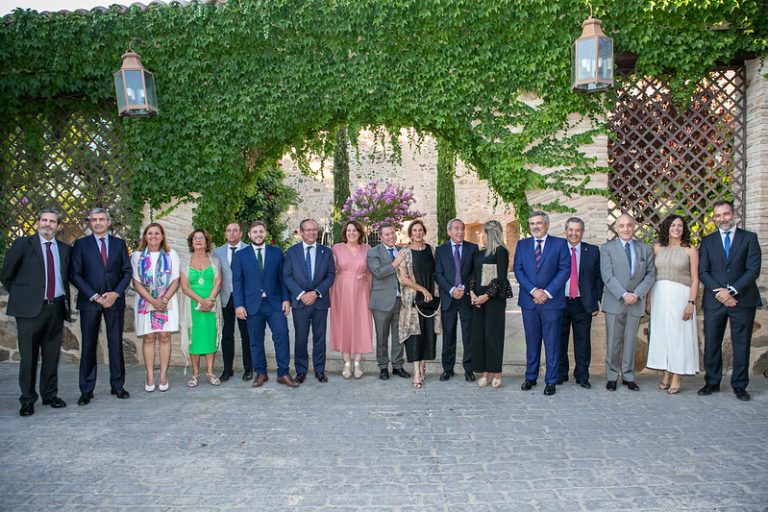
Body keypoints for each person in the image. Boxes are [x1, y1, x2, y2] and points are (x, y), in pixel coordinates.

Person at [1, 209, 71, 417]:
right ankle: (27, 400)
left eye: (52, 221)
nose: (47, 224)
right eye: (44, 220)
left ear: (58, 226)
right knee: (29, 357)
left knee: (51, 355)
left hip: (56, 307)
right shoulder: (23, 245)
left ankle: (49, 395)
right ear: (38, 222)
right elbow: (6, 274)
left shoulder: (64, 249)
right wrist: (25, 295)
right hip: (30, 310)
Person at [698, 200, 762, 401]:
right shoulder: (708, 241)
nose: (722, 219)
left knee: (741, 343)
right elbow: (703, 271)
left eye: (725, 214)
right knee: (712, 343)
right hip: (715, 300)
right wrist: (721, 293)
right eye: (718, 215)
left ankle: (740, 385)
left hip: (742, 300)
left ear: (733, 214)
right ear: (714, 217)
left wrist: (732, 291)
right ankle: (712, 382)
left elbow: (753, 270)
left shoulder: (749, 238)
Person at [70, 207, 132, 406]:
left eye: (101, 219)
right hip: (90, 302)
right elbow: (75, 274)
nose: (97, 223)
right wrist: (95, 296)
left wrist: (115, 293)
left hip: (114, 301)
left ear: (108, 222)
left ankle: (118, 385)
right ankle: (86, 390)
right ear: (90, 222)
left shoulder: (119, 244)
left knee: (115, 343)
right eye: (94, 219)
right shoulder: (80, 245)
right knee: (88, 345)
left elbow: (126, 272)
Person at [232, 220, 297, 388]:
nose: (258, 234)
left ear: (265, 233)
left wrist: (286, 299)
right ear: (249, 235)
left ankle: (283, 373)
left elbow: (282, 279)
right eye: (255, 232)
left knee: (282, 336)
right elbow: (237, 282)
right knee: (255, 340)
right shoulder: (240, 255)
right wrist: (239, 304)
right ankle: (261, 372)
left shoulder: (276, 253)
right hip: (252, 305)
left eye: (261, 231)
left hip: (274, 304)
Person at [514, 211, 570, 396]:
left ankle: (551, 380)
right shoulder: (522, 245)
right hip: (529, 302)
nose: (535, 226)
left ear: (546, 224)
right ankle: (530, 377)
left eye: (538, 223)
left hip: (551, 303)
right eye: (532, 224)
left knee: (552, 343)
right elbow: (518, 270)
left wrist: (546, 292)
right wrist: (533, 291)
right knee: (532, 342)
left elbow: (564, 270)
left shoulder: (560, 244)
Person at [600, 213, 656, 392]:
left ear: (634, 227)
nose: (625, 229)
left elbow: (650, 274)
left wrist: (637, 294)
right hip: (615, 302)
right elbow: (607, 276)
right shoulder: (607, 249)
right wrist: (624, 294)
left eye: (629, 225)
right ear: (616, 228)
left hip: (636, 302)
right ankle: (611, 376)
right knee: (613, 341)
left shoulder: (645, 249)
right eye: (622, 226)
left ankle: (628, 376)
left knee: (630, 341)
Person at [646, 215, 699, 394]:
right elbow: (650, 275)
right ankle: (666, 372)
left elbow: (695, 279)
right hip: (659, 295)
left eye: (680, 225)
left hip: (681, 296)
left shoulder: (690, 249)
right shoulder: (658, 248)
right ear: (667, 227)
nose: (676, 228)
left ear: (684, 229)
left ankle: (677, 374)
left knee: (679, 336)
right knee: (663, 336)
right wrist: (648, 300)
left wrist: (691, 302)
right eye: (673, 225)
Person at [283, 219, 336, 383]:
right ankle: (301, 371)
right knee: (301, 338)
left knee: (319, 337)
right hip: (300, 303)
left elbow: (330, 275)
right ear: (300, 232)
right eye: (308, 230)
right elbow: (287, 276)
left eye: (314, 229)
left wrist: (316, 292)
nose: (312, 233)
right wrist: (300, 294)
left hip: (319, 302)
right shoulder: (291, 252)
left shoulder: (325, 252)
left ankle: (320, 370)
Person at [131, 222, 180, 393]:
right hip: (146, 301)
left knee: (165, 336)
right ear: (145, 236)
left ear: (162, 236)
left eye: (157, 233)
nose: (153, 236)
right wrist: (153, 300)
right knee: (149, 338)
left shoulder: (170, 254)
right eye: (150, 233)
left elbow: (175, 280)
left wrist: (164, 298)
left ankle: (163, 375)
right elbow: (136, 282)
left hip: (166, 300)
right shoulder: (137, 256)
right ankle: (150, 376)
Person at [558, 217, 603, 389]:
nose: (574, 233)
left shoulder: (592, 251)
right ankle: (561, 373)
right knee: (560, 340)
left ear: (582, 232)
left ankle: (582, 375)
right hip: (560, 302)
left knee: (583, 342)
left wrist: (595, 300)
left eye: (577, 230)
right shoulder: (558, 249)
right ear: (566, 230)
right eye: (571, 230)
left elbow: (599, 278)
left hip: (583, 303)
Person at [397, 220, 441, 388]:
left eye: (420, 230)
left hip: (430, 301)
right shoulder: (405, 252)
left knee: (427, 334)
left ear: (424, 232)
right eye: (414, 230)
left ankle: (423, 366)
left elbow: (437, 272)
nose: (417, 233)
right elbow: (403, 278)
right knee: (415, 336)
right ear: (410, 234)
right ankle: (416, 371)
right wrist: (423, 290)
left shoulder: (431, 250)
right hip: (413, 300)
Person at [435, 218, 478, 382]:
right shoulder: (441, 250)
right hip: (449, 298)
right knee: (448, 336)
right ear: (449, 231)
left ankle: (469, 369)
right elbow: (438, 274)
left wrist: (464, 289)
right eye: (456, 229)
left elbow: (475, 272)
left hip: (466, 298)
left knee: (468, 335)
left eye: (462, 228)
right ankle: (448, 369)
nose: (460, 232)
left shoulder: (472, 248)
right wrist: (452, 290)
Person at [469, 220, 510, 389]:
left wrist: (486, 296)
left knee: (493, 336)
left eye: (484, 233)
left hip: (494, 301)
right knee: (480, 336)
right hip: (477, 301)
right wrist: (472, 293)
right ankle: (485, 372)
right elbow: (472, 276)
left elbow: (500, 278)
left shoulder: (501, 251)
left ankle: (497, 372)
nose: (481, 235)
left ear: (491, 234)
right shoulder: (479, 253)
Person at [179, 229, 223, 387]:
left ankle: (210, 372)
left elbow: (218, 282)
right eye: (195, 238)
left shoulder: (215, 261)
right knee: (194, 339)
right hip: (192, 306)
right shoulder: (185, 262)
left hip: (211, 305)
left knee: (211, 337)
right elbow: (184, 287)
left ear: (206, 242)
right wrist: (201, 301)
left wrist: (209, 301)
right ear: (191, 242)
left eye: (201, 238)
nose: (198, 240)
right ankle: (195, 374)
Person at [330, 220, 373, 379]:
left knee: (361, 324)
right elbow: (330, 271)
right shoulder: (336, 248)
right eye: (349, 230)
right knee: (344, 324)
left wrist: (370, 292)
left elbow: (370, 273)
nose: (351, 233)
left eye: (355, 230)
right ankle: (347, 363)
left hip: (362, 291)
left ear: (360, 233)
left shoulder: (367, 249)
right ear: (345, 232)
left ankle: (357, 363)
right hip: (341, 291)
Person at [368, 222, 411, 380]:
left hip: (401, 300)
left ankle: (398, 366)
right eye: (387, 234)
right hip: (381, 301)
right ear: (380, 237)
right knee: (382, 336)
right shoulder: (373, 252)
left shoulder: (401, 250)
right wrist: (395, 263)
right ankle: (383, 366)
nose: (391, 236)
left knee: (399, 336)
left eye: (392, 233)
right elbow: (378, 272)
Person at [213, 222, 253, 382]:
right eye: (228, 230)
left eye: (235, 230)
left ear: (241, 233)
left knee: (247, 335)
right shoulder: (217, 252)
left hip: (244, 298)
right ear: (225, 233)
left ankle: (248, 368)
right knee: (227, 335)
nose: (231, 233)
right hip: (225, 298)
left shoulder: (249, 250)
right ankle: (227, 369)